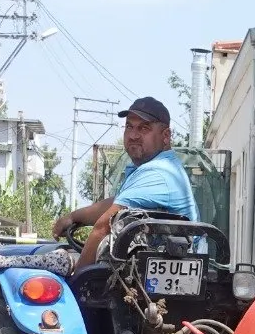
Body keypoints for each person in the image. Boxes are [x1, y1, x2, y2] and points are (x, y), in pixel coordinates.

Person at [50, 96, 198, 268]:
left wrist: (79, 279)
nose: (133, 135)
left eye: (144, 128)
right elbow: (116, 203)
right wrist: (73, 217)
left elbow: (104, 227)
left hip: (163, 276)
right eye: (129, 126)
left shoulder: (158, 172)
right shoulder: (158, 167)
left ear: (166, 136)